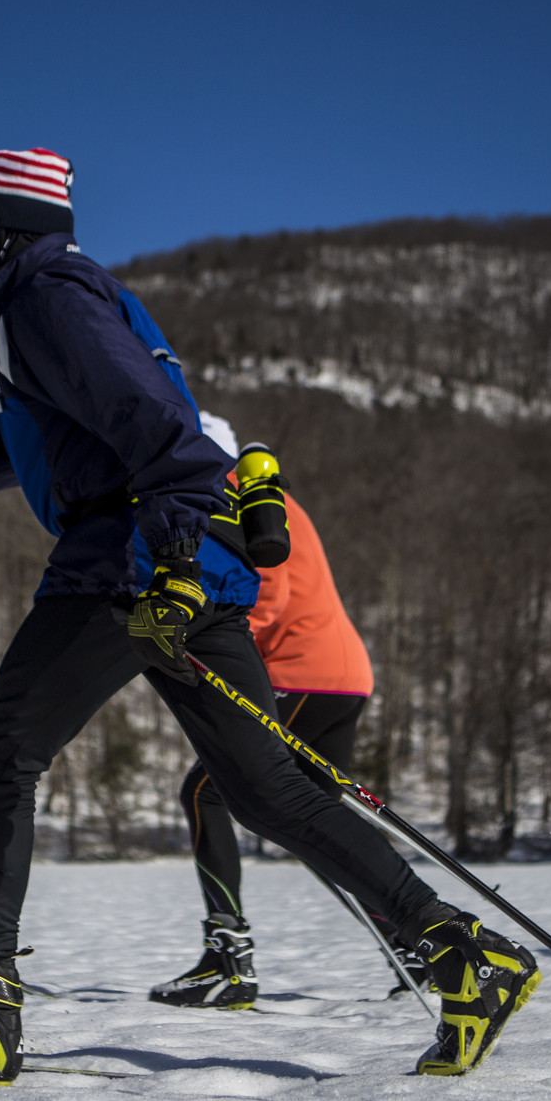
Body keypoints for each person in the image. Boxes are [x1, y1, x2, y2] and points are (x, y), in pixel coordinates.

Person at [0, 148, 539, 1085]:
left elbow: (162, 429)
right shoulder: (41, 316)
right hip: (187, 558)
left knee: (3, 752)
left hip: (132, 556)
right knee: (268, 789)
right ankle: (462, 953)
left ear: (0, 231)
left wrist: (165, 565)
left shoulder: (46, 296)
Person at [148, 414, 413, 1010]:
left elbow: (269, 593)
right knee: (316, 821)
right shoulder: (270, 495)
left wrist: (210, 637)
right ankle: (414, 942)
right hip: (341, 676)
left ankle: (228, 959)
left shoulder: (239, 500)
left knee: (205, 794)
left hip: (303, 673)